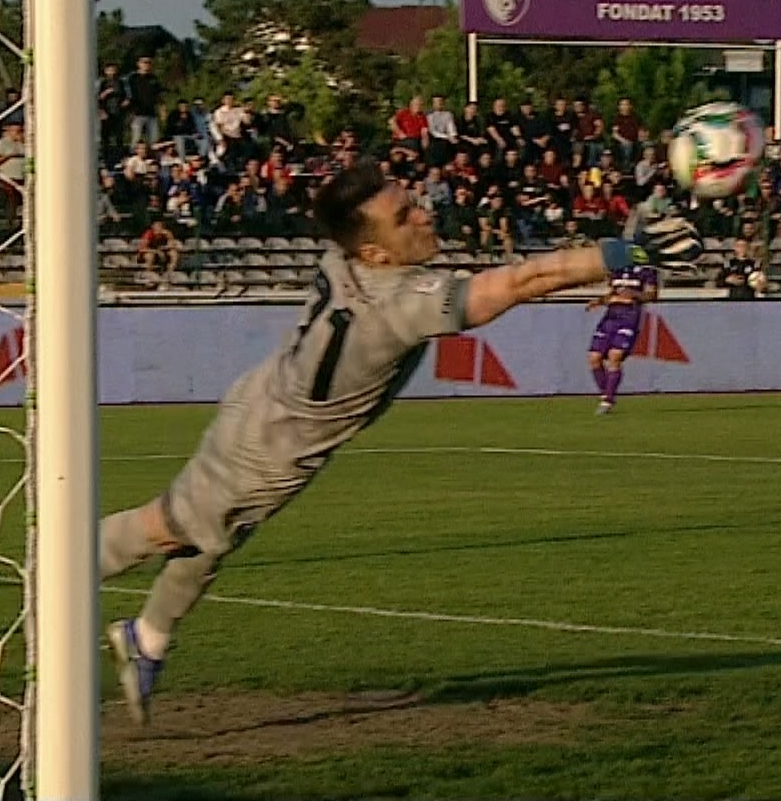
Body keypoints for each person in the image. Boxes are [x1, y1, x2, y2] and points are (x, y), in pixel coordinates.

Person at [97, 160, 701, 723]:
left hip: (261, 400)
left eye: (413, 203)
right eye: (405, 215)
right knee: (166, 528)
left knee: (213, 533)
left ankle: (145, 640)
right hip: (267, 448)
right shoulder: (399, 306)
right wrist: (629, 250)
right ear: (374, 251)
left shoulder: (349, 263)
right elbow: (524, 280)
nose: (424, 213)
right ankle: (51, 575)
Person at [584, 260, 659, 413]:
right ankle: (607, 392)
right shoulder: (616, 270)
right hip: (610, 316)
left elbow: (651, 295)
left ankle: (608, 401)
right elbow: (613, 294)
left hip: (630, 316)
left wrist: (634, 294)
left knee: (615, 355)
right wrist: (598, 301)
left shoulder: (646, 271)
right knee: (594, 357)